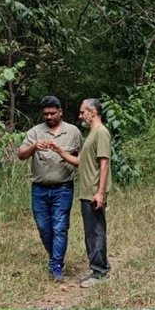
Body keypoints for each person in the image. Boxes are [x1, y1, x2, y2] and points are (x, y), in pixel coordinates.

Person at [16, 96, 84, 282]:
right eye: (46, 114)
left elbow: (82, 158)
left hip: (63, 187)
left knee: (60, 227)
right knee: (44, 228)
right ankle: (54, 257)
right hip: (39, 189)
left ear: (60, 111)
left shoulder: (73, 132)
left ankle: (56, 265)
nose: (49, 116)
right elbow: (21, 154)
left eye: (53, 113)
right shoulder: (35, 132)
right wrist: (34, 147)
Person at [69, 98, 112, 288]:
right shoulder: (92, 133)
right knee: (91, 232)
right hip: (86, 191)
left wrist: (100, 193)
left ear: (92, 112)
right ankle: (97, 269)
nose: (80, 116)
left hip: (94, 192)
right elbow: (80, 161)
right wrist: (58, 151)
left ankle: (101, 272)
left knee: (95, 232)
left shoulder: (101, 132)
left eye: (82, 112)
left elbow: (104, 163)